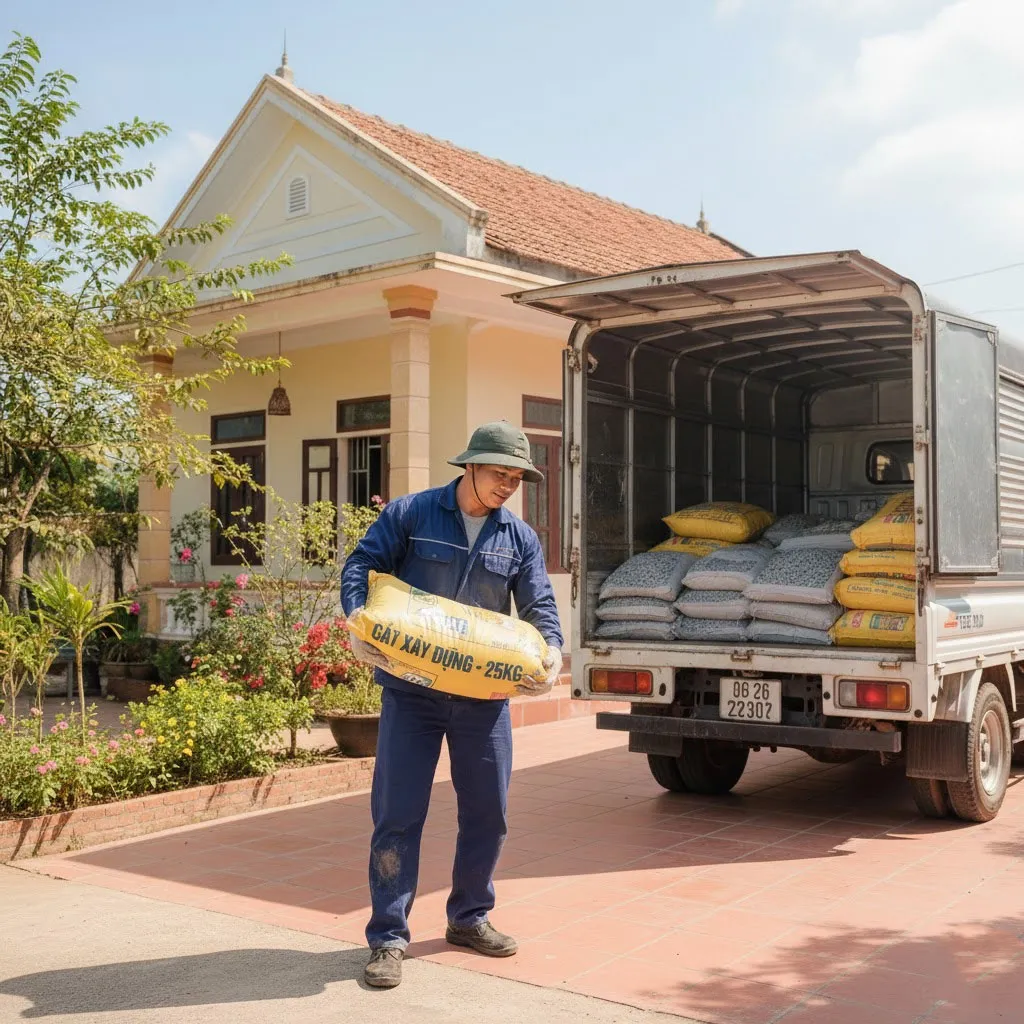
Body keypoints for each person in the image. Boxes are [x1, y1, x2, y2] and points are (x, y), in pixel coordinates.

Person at [340, 421, 564, 990]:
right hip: (410, 694)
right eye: (499, 474)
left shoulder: (520, 538)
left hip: (482, 700)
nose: (508, 485)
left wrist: (553, 650)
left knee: (489, 810)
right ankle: (388, 936)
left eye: (517, 478)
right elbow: (361, 566)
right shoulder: (412, 514)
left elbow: (538, 603)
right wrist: (353, 621)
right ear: (470, 466)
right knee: (398, 813)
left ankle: (469, 917)